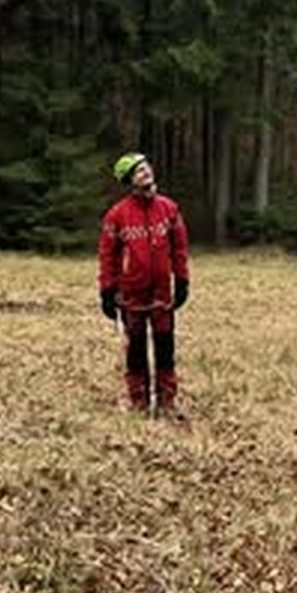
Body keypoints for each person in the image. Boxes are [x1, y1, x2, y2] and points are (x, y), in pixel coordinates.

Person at [98, 152, 191, 416]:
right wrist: (107, 289)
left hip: (162, 292)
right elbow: (107, 255)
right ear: (129, 180)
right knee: (136, 349)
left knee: (165, 347)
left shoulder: (169, 209)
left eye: (146, 167)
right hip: (132, 294)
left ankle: (166, 400)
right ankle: (138, 400)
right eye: (138, 170)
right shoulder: (117, 215)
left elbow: (180, 249)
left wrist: (182, 279)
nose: (146, 172)